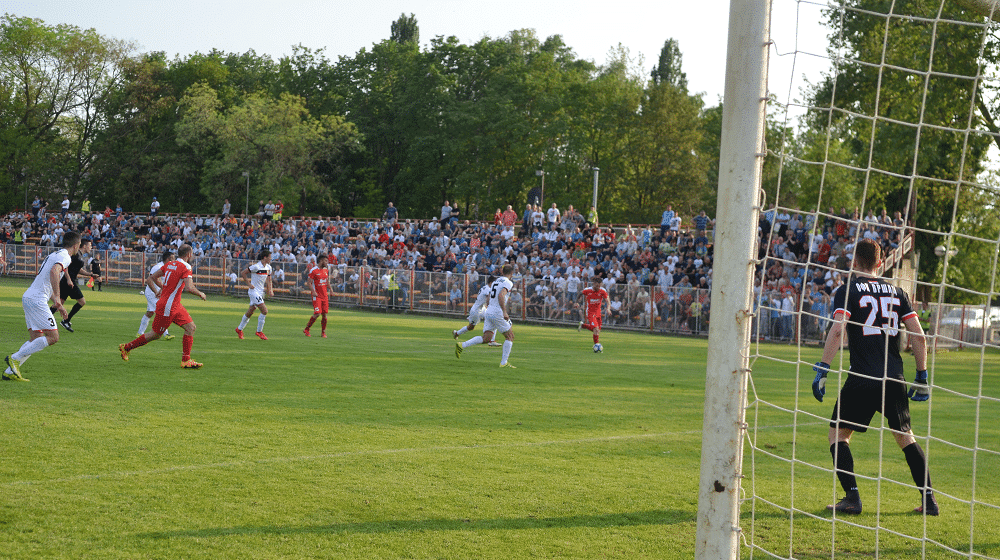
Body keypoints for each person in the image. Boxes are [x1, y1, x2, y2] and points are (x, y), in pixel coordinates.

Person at [811, 238, 937, 516]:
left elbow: (837, 330)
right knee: (906, 436)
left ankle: (852, 498)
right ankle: (929, 500)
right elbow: (918, 336)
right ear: (880, 263)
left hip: (862, 376)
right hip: (894, 377)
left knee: (838, 434)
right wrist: (921, 374)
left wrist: (824, 368)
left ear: (854, 262)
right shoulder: (898, 292)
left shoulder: (848, 289)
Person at [4, 232, 83, 381]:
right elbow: (54, 272)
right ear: (76, 245)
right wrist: (58, 299)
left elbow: (47, 283)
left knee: (36, 338)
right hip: (37, 300)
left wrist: (59, 305)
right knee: (53, 337)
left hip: (29, 297)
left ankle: (10, 372)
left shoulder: (54, 254)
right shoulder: (66, 257)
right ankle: (15, 358)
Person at [118, 244, 207, 368]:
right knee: (155, 334)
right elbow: (189, 287)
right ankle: (127, 347)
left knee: (191, 327)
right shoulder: (186, 266)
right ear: (189, 254)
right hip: (168, 306)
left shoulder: (170, 264)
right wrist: (200, 293)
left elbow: (152, 278)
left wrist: (163, 289)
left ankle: (186, 360)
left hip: (175, 305)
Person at [455, 263, 517, 367]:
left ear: (502, 272)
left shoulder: (496, 281)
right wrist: (504, 311)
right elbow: (501, 295)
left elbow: (489, 298)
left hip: (489, 310)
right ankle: (504, 363)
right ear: (512, 273)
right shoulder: (508, 282)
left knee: (486, 338)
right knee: (510, 336)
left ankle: (462, 345)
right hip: (497, 311)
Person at [49, 238, 100, 332]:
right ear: (84, 246)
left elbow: (78, 269)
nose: (91, 247)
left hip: (68, 281)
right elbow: (66, 266)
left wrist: (90, 274)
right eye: (90, 245)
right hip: (68, 282)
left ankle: (44, 319)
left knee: (59, 303)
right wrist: (68, 279)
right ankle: (66, 321)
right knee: (82, 301)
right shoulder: (75, 255)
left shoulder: (79, 255)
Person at [452, 275, 502, 347]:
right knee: (471, 327)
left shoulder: (486, 288)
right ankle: (457, 333)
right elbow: (489, 299)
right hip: (476, 310)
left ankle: (491, 340)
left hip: (482, 308)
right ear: (491, 282)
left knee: (493, 319)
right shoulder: (487, 289)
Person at [137, 249, 176, 341]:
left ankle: (140, 333)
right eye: (173, 259)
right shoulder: (158, 267)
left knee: (150, 313)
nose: (174, 261)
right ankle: (166, 334)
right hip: (152, 293)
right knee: (162, 311)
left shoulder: (169, 268)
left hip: (159, 293)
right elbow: (149, 280)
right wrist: (155, 292)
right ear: (168, 259)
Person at [236, 249, 274, 340]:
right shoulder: (256, 266)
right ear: (265, 257)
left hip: (260, 292)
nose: (271, 259)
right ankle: (259, 331)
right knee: (264, 310)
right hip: (253, 292)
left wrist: (270, 290)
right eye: (269, 257)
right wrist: (249, 284)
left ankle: (239, 329)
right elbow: (243, 273)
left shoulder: (269, 267)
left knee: (250, 311)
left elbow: (269, 280)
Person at [578, 275, 610, 351]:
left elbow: (608, 301)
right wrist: (577, 302)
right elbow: (580, 293)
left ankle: (583, 325)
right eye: (597, 285)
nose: (598, 287)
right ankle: (596, 345)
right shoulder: (588, 290)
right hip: (590, 312)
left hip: (598, 313)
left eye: (600, 285)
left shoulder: (602, 291)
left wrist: (608, 309)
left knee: (597, 330)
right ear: (594, 283)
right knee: (595, 329)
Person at [304, 253, 330, 338]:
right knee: (317, 313)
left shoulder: (326, 270)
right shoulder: (313, 270)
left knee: (324, 314)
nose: (327, 262)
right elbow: (309, 283)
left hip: (324, 296)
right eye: (325, 260)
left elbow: (327, 281)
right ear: (321, 261)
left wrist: (331, 289)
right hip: (317, 296)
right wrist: (313, 291)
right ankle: (307, 329)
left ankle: (323, 332)